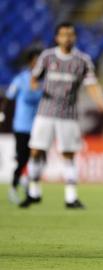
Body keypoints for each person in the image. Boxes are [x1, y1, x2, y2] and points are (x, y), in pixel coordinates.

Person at [19, 22, 103, 209]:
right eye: (63, 34)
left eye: (70, 34)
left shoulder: (82, 60)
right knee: (36, 151)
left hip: (68, 115)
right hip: (45, 113)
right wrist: (34, 91)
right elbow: (34, 78)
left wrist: (100, 101)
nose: (67, 38)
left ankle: (71, 197)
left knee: (68, 155)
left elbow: (91, 83)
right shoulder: (47, 57)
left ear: (74, 37)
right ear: (57, 38)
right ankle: (33, 191)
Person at [0, 48, 44, 204]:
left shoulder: (44, 82)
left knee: (38, 158)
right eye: (36, 60)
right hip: (21, 126)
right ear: (30, 62)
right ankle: (14, 187)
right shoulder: (20, 79)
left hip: (39, 126)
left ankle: (29, 184)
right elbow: (8, 98)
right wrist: (2, 114)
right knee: (23, 158)